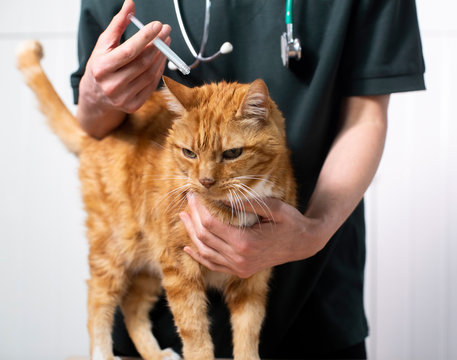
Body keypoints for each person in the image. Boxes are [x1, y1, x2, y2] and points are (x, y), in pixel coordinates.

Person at [71, 0, 425, 358]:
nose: (207, 178)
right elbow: (94, 126)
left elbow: (366, 115)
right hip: (168, 322)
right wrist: (95, 97)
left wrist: (313, 232)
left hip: (312, 290)